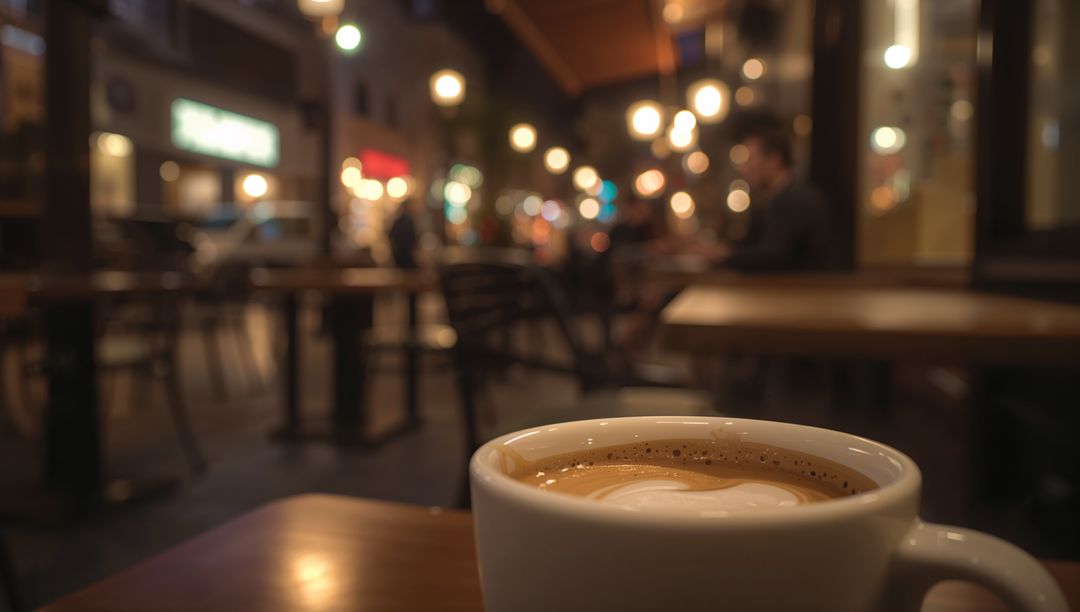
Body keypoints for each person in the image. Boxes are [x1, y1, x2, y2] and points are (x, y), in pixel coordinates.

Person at [721, 124, 834, 272]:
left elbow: (775, 257)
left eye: (750, 160)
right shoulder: (772, 199)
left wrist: (722, 255)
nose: (744, 168)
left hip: (803, 292)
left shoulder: (795, 199)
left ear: (774, 160)